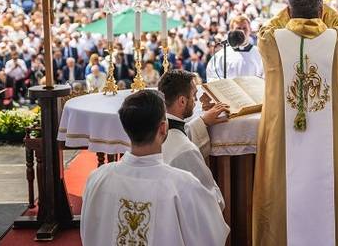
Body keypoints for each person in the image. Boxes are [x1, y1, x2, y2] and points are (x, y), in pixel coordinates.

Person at [253, 0, 338, 245]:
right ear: (322, 11)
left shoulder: (272, 41)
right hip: (328, 148)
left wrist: (287, 13)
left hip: (287, 144)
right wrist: (322, 9)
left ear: (289, 11)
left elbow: (266, 28)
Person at [80, 89, 229, 245]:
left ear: (126, 128)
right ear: (163, 128)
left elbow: (88, 232)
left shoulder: (97, 178)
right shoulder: (183, 185)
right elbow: (213, 235)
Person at [157, 69, 225, 209]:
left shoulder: (154, 130)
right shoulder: (185, 151)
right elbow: (212, 202)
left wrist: (202, 122)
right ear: (182, 101)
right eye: (194, 95)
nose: (196, 101)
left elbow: (179, 134)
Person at [206, 16, 263, 81]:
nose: (242, 32)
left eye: (245, 28)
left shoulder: (260, 54)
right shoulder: (221, 55)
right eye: (238, 29)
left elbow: (265, 77)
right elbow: (212, 76)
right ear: (231, 31)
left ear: (250, 30)